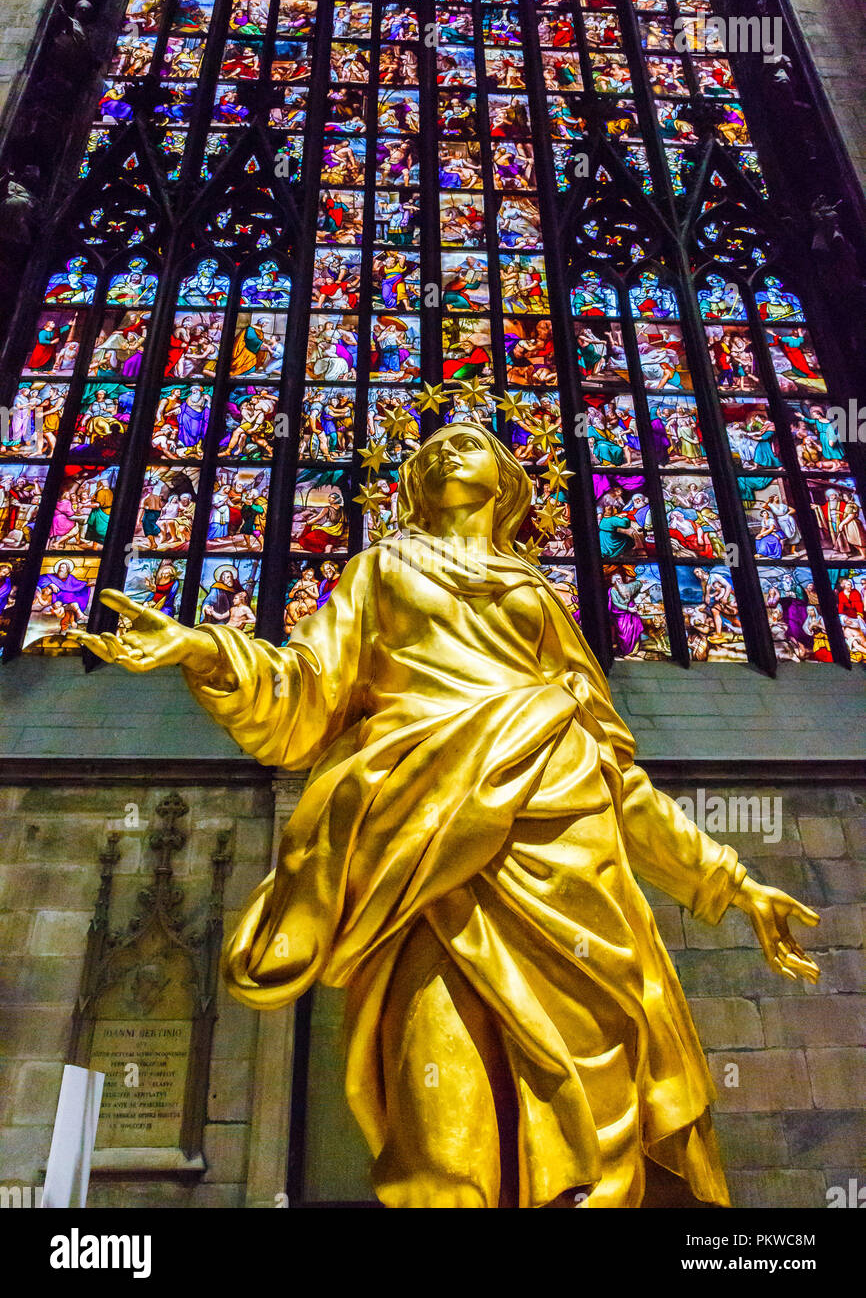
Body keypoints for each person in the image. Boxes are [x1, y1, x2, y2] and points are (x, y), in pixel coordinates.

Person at [74, 424, 820, 1210]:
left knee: (602, 1139)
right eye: (427, 450)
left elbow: (616, 773)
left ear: (507, 484)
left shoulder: (536, 599)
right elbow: (301, 697)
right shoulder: (378, 575)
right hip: (430, 861)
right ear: (411, 489)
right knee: (443, 1134)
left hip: (575, 876)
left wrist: (733, 883)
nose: (442, 450)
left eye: (467, 442)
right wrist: (206, 651)